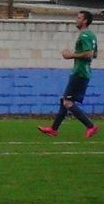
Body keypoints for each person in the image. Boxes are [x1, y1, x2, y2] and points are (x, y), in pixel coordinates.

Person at [39, 10, 98, 139]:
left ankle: (90, 126)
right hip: (83, 72)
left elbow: (88, 54)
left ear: (85, 21)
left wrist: (70, 55)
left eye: (79, 18)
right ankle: (53, 129)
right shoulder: (92, 35)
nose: (76, 20)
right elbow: (94, 54)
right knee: (64, 100)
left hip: (79, 72)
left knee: (67, 102)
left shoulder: (85, 36)